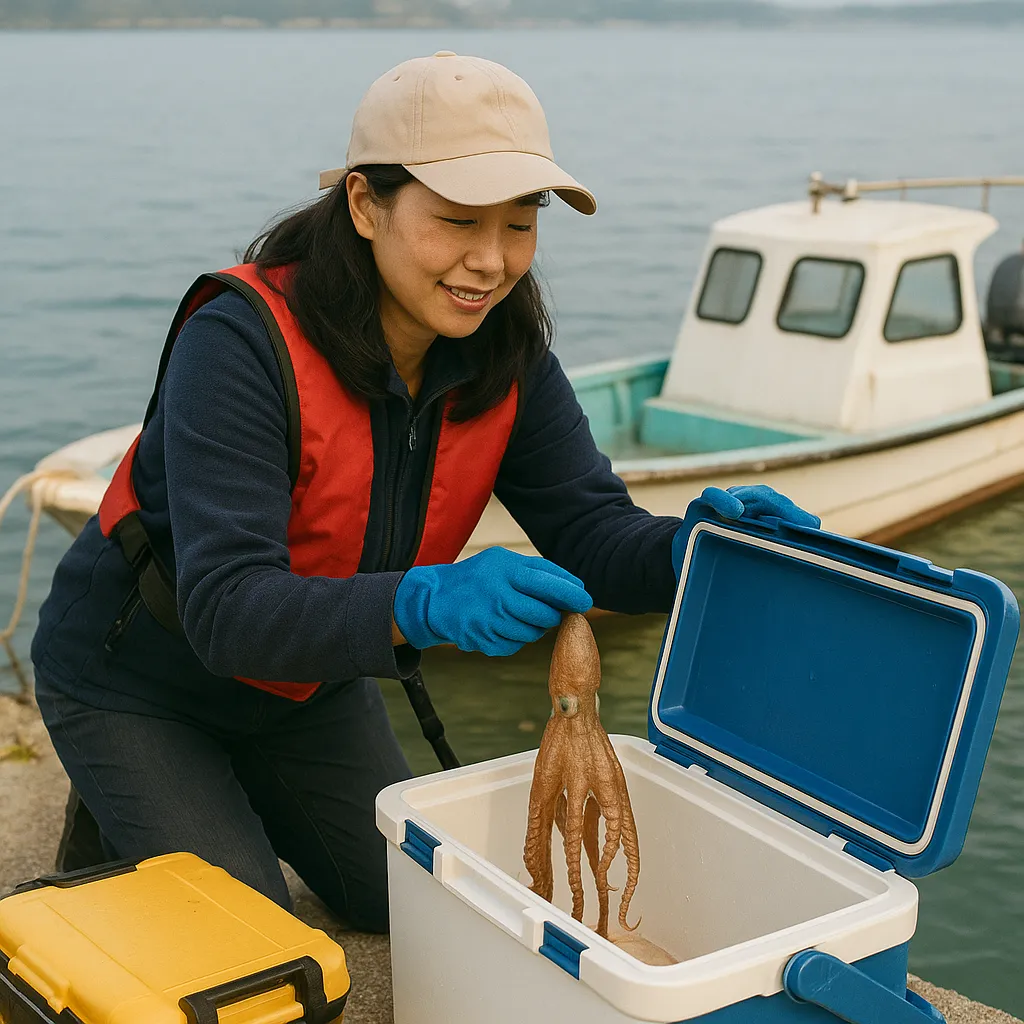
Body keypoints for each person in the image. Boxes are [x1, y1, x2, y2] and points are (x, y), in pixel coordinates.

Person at [30, 51, 819, 933]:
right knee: (245, 946)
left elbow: (594, 530)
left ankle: (196, 804)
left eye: (521, 225)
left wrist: (692, 549)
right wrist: (425, 599)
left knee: (423, 911)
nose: (491, 262)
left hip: (310, 690)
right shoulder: (240, 344)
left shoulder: (506, 353)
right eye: (456, 222)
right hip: (142, 677)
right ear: (366, 205)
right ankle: (123, 808)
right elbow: (224, 607)